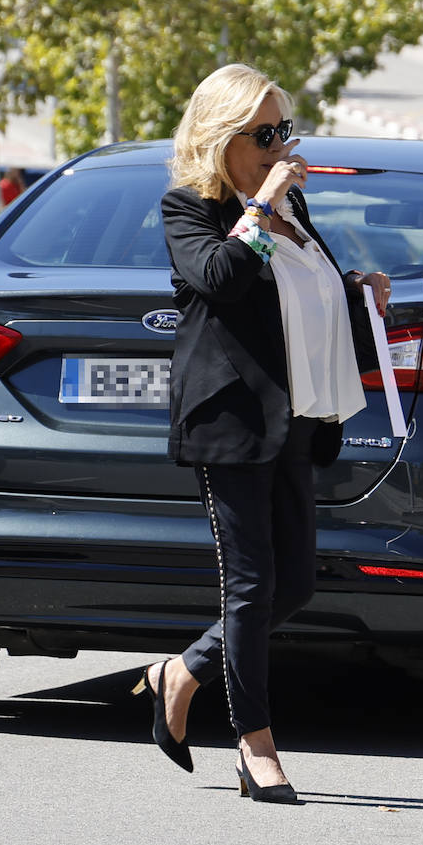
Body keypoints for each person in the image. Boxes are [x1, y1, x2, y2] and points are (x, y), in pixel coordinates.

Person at [135, 63, 391, 803]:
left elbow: (298, 309)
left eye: (287, 130)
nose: (285, 147)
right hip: (231, 421)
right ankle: (255, 748)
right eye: (267, 133)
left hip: (295, 419)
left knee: (295, 584)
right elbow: (222, 280)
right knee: (250, 587)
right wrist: (265, 207)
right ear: (224, 139)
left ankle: (178, 673)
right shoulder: (191, 209)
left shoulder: (293, 208)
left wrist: (356, 297)